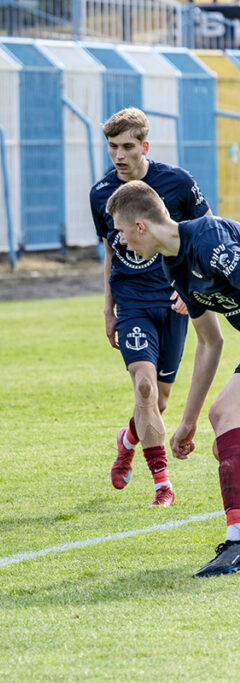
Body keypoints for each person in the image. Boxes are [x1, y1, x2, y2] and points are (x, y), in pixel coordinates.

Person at [104, 180, 240, 576]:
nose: (121, 242)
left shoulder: (210, 240)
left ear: (140, 226)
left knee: (229, 424)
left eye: (122, 232)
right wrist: (188, 422)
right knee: (223, 424)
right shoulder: (174, 267)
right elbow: (210, 343)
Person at [89, 107, 212, 507]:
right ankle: (163, 484)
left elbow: (207, 232)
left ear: (145, 146)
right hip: (132, 303)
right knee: (143, 387)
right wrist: (108, 309)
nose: (118, 155)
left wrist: (190, 289)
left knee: (158, 401)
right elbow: (110, 251)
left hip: (174, 302)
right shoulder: (100, 193)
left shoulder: (178, 183)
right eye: (112, 147)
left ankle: (128, 440)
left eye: (127, 146)